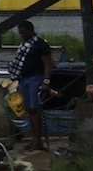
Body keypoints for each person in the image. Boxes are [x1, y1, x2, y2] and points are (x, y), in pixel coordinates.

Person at [7, 19, 56, 151]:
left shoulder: (40, 44)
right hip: (24, 79)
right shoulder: (24, 45)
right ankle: (34, 139)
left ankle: (37, 140)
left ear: (31, 31)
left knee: (35, 108)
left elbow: (47, 64)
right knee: (28, 108)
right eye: (20, 33)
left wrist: (46, 81)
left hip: (35, 78)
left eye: (24, 33)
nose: (22, 35)